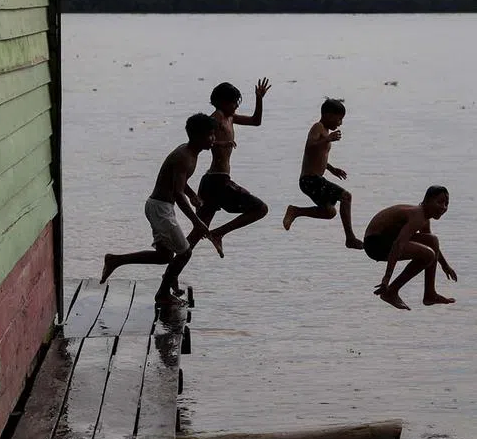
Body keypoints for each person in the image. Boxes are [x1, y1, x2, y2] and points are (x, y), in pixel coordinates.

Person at [99, 113, 223, 305]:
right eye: (210, 135)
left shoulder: (190, 153)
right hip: (160, 209)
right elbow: (177, 193)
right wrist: (196, 221)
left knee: (164, 256)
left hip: (160, 206)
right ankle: (163, 294)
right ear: (198, 136)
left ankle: (116, 260)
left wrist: (192, 195)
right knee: (185, 252)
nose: (213, 138)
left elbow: (180, 183)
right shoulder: (184, 156)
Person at [191, 79, 271, 256]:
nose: (236, 106)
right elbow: (199, 138)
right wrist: (220, 143)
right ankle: (218, 233)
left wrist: (259, 98)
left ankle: (169, 277)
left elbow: (256, 121)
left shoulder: (230, 118)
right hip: (217, 181)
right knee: (261, 208)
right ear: (221, 102)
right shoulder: (217, 116)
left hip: (214, 180)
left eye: (237, 102)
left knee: (197, 234)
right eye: (233, 102)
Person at [282, 97, 365, 249]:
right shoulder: (318, 127)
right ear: (327, 115)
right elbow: (310, 146)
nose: (340, 123)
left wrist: (332, 168)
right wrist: (328, 139)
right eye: (339, 119)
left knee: (329, 212)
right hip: (310, 180)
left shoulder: (324, 131)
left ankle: (296, 211)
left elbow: (318, 156)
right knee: (346, 196)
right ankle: (350, 238)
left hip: (313, 179)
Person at [363, 186, 457, 310]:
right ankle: (391, 291)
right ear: (427, 200)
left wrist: (445, 265)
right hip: (375, 244)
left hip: (387, 239)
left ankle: (430, 293)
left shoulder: (424, 217)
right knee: (428, 255)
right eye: (439, 202)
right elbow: (398, 244)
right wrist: (386, 278)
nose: (443, 207)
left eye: (446, 204)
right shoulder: (417, 215)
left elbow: (431, 244)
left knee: (432, 240)